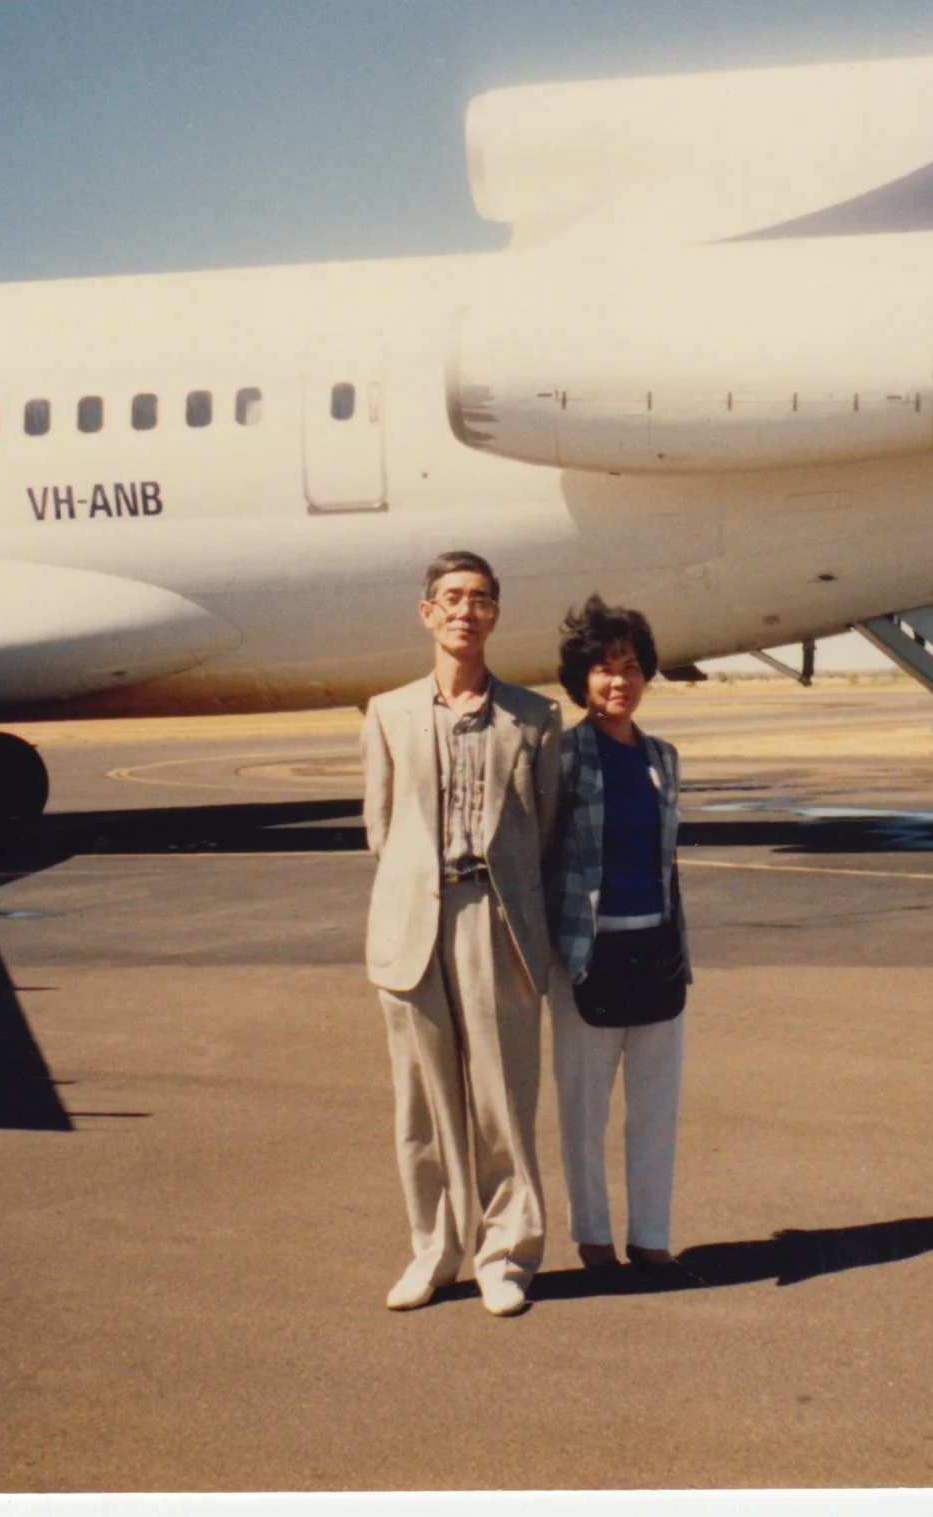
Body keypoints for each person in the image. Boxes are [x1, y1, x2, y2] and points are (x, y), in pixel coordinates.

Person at [359, 551, 562, 1317]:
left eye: (479, 598)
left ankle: (507, 1252)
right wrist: (421, 887)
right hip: (413, 920)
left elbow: (543, 828)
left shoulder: (535, 717)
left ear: (495, 615)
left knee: (502, 1096)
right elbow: (382, 828)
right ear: (427, 613)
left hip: (498, 918)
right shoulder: (386, 712)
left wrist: (499, 896)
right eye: (450, 597)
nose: (464, 611)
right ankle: (434, 1250)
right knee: (421, 1099)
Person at [546, 597, 694, 1286]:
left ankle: (653, 1237)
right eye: (605, 670)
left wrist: (679, 952)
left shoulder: (664, 757)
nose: (619, 682)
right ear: (582, 680)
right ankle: (595, 1238)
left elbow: (668, 867)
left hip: (656, 954)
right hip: (587, 956)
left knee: (656, 1108)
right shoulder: (562, 756)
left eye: (631, 667)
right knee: (584, 1109)